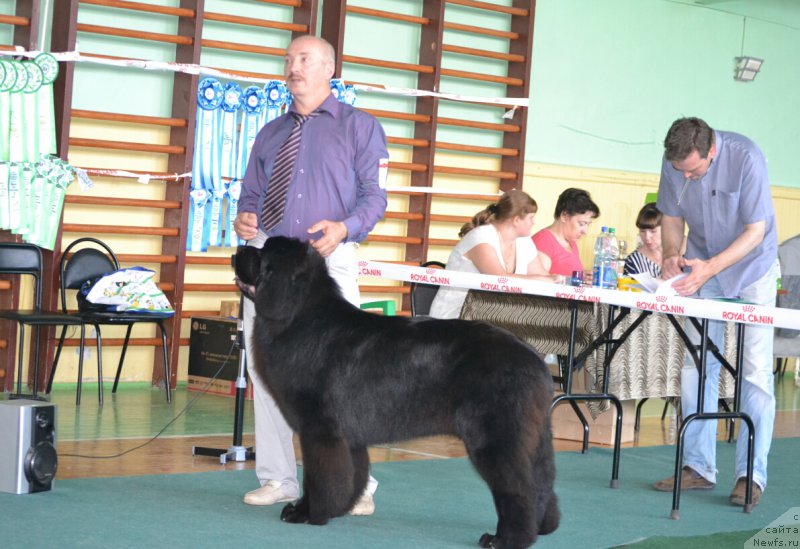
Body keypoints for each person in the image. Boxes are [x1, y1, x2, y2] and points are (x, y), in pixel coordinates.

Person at [233, 34, 388, 515]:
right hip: (272, 266)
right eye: (288, 59)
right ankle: (277, 478)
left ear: (328, 68)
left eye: (303, 59)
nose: (292, 66)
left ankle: (357, 485)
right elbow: (250, 194)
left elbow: (376, 199)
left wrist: (346, 227)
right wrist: (244, 218)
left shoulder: (361, 128)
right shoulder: (270, 132)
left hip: (328, 264)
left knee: (340, 379)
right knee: (268, 371)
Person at [652, 117, 779, 507]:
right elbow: (671, 217)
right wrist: (673, 254)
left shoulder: (746, 158)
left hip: (751, 269)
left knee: (755, 370)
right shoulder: (675, 161)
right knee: (696, 364)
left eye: (693, 169)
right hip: (701, 267)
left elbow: (755, 231)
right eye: (680, 170)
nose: (686, 176)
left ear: (711, 151)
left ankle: (750, 476)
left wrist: (712, 267)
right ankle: (698, 466)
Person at [429, 189, 560, 319]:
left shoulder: (524, 241)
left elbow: (544, 277)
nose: (534, 223)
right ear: (516, 220)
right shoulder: (481, 237)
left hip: (490, 319)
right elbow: (499, 280)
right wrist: (543, 280)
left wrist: (556, 280)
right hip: (452, 320)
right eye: (531, 218)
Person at [532, 188, 600, 280]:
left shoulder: (571, 243)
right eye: (581, 224)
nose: (585, 231)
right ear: (564, 216)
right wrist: (576, 278)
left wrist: (585, 276)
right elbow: (539, 283)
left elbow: (569, 274)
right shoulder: (543, 241)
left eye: (588, 224)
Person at [623, 202, 663, 278]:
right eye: (642, 231)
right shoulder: (634, 261)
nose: (647, 237)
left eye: (653, 231)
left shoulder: (681, 256)